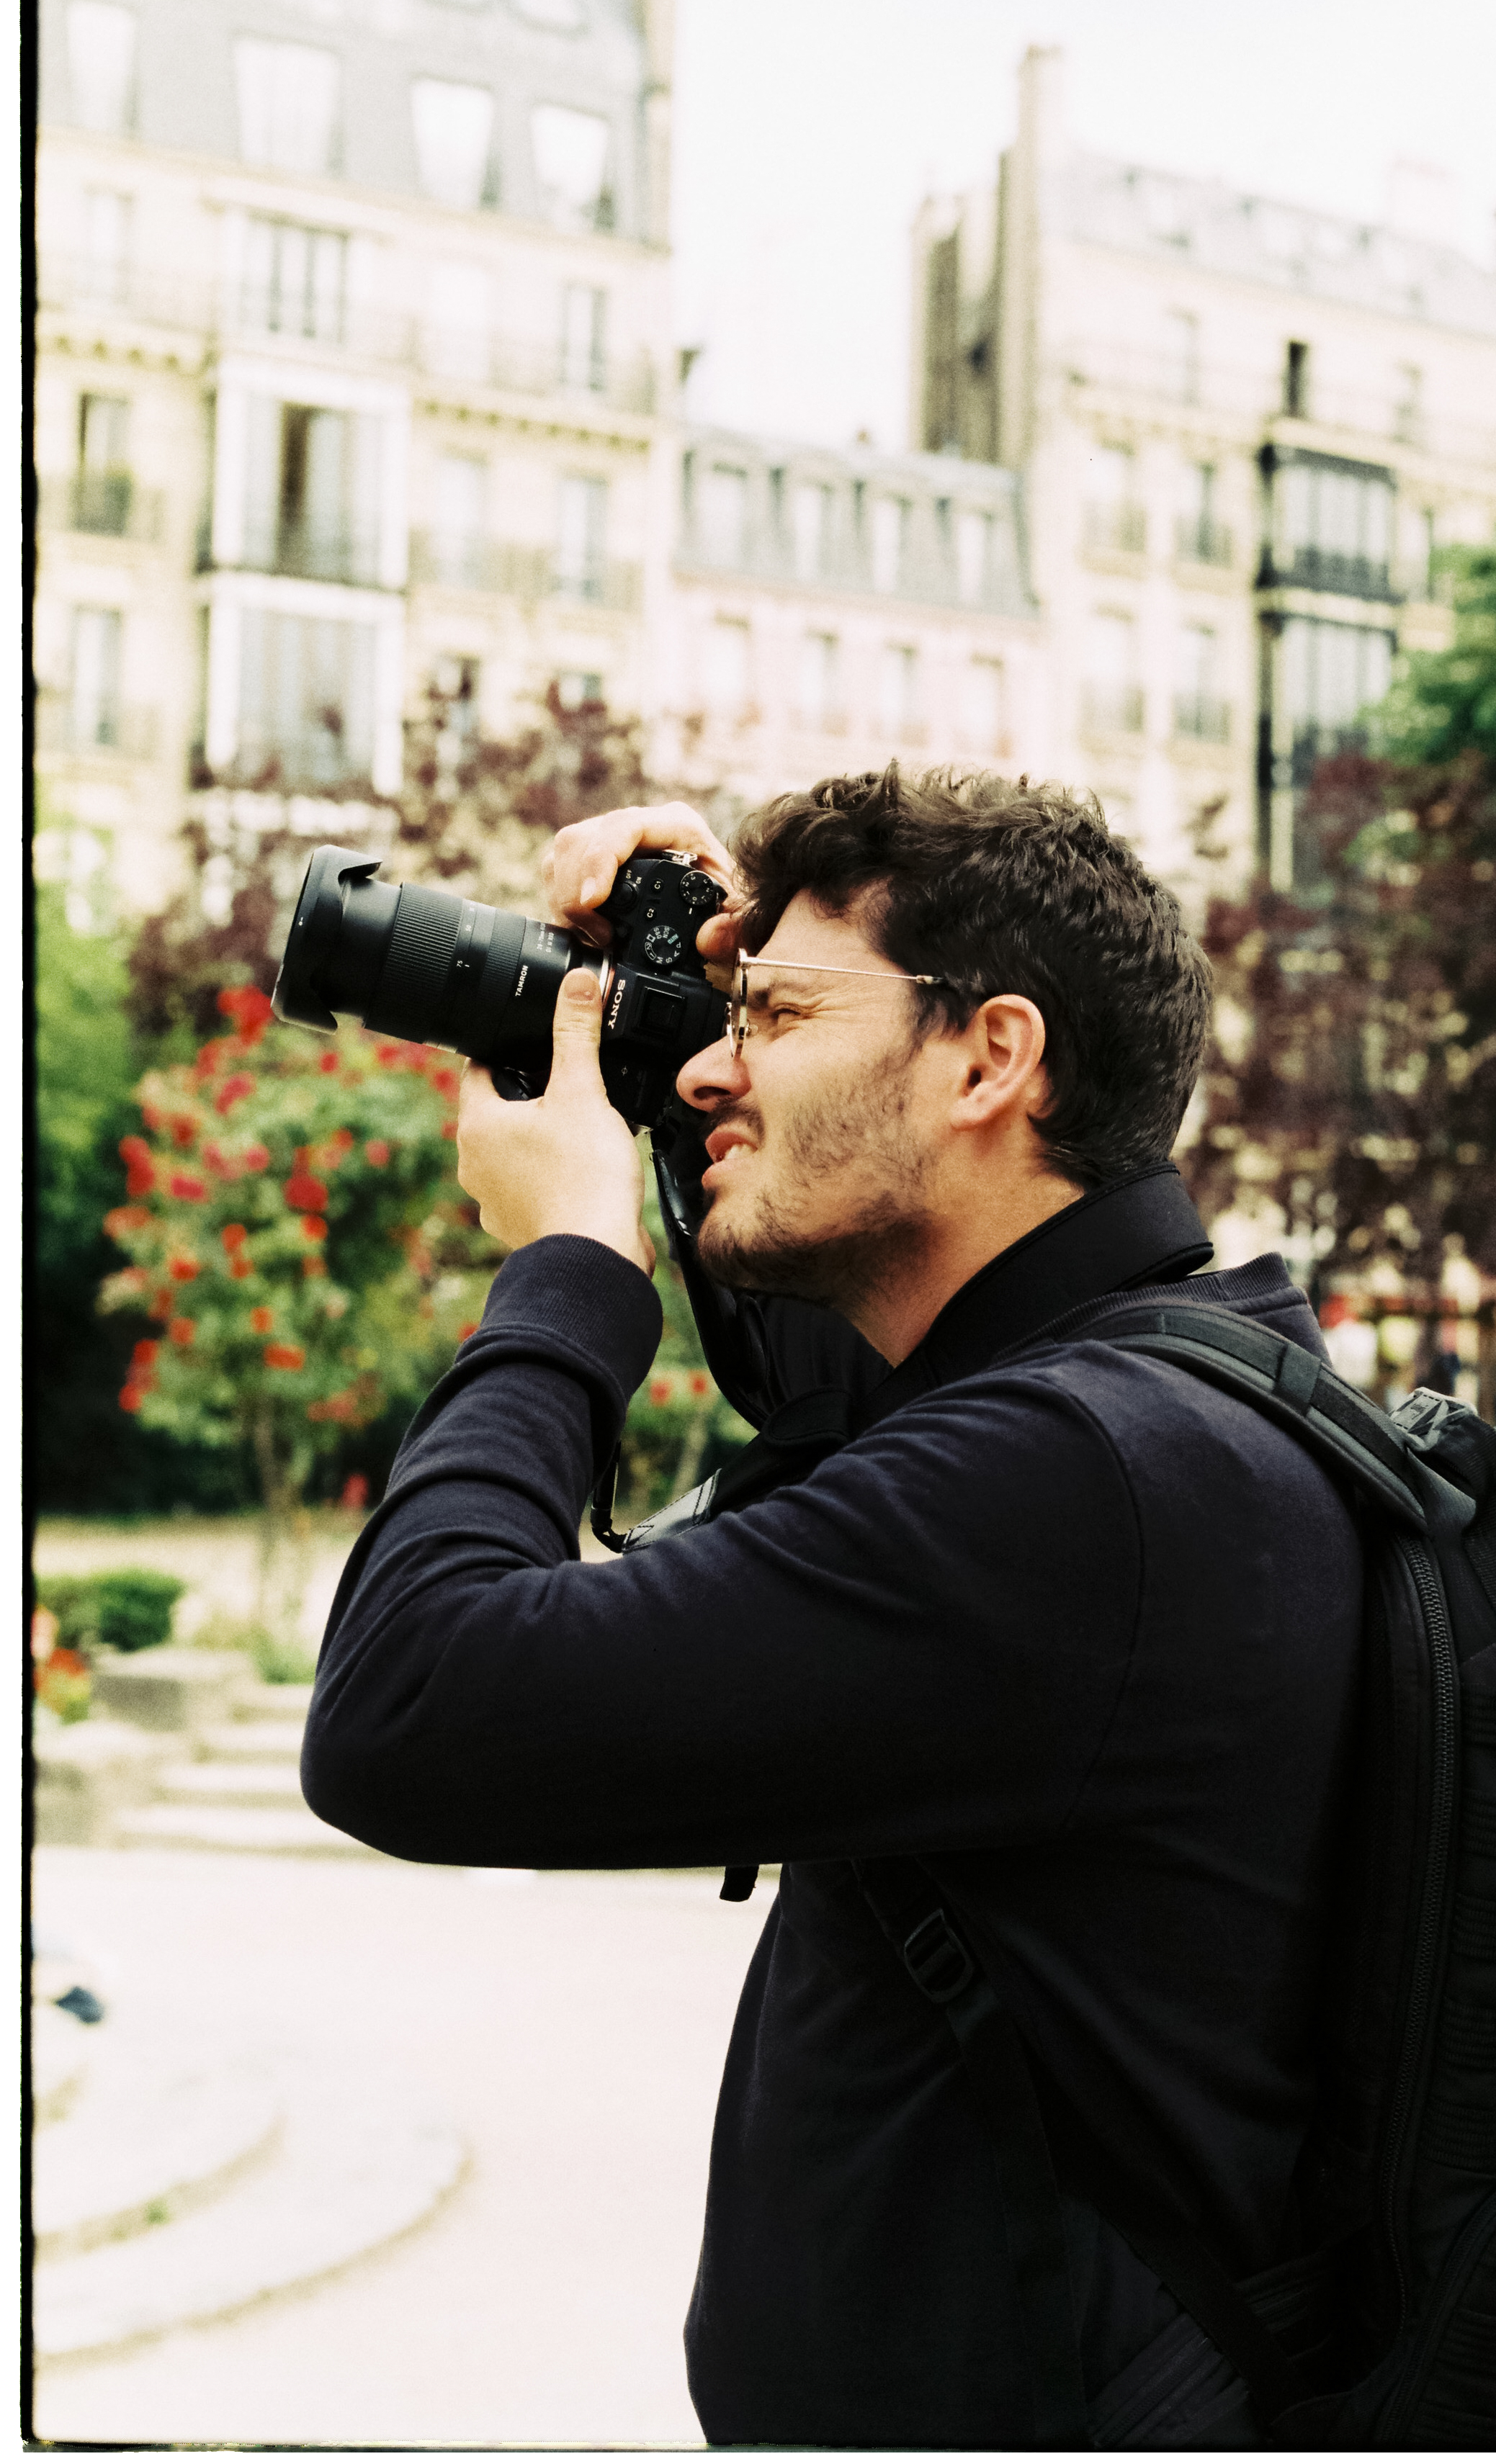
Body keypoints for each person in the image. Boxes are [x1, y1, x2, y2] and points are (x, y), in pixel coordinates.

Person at [302, 766, 1363, 2450]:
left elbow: (412, 1709)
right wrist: (675, 1022)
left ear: (990, 1059)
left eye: (778, 1014)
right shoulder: (1151, 1385)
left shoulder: (1077, 1485)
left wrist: (567, 1266)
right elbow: (812, 1342)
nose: (723, 1060)